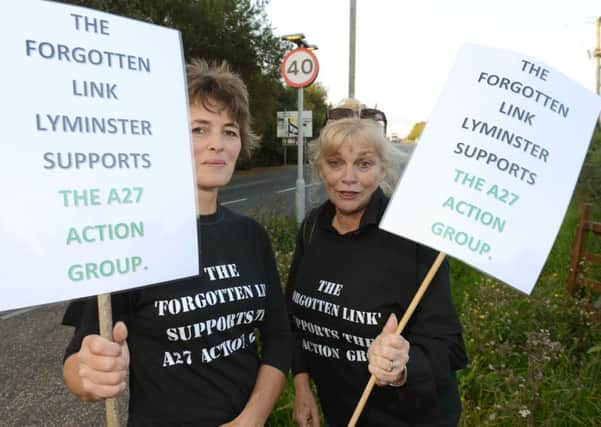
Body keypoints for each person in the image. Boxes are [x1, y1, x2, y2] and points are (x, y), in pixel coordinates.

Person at [62, 59, 291, 426]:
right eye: (199, 129)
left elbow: (279, 339)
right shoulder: (131, 240)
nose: (217, 144)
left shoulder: (251, 236)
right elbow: (77, 363)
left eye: (229, 131)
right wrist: (89, 373)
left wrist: (251, 419)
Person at [286, 115, 467, 426]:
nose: (348, 177)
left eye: (364, 164)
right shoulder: (312, 228)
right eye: (336, 163)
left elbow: (449, 345)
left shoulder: (414, 238)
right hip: (342, 413)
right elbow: (293, 318)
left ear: (383, 169)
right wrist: (302, 387)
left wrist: (402, 367)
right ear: (320, 169)